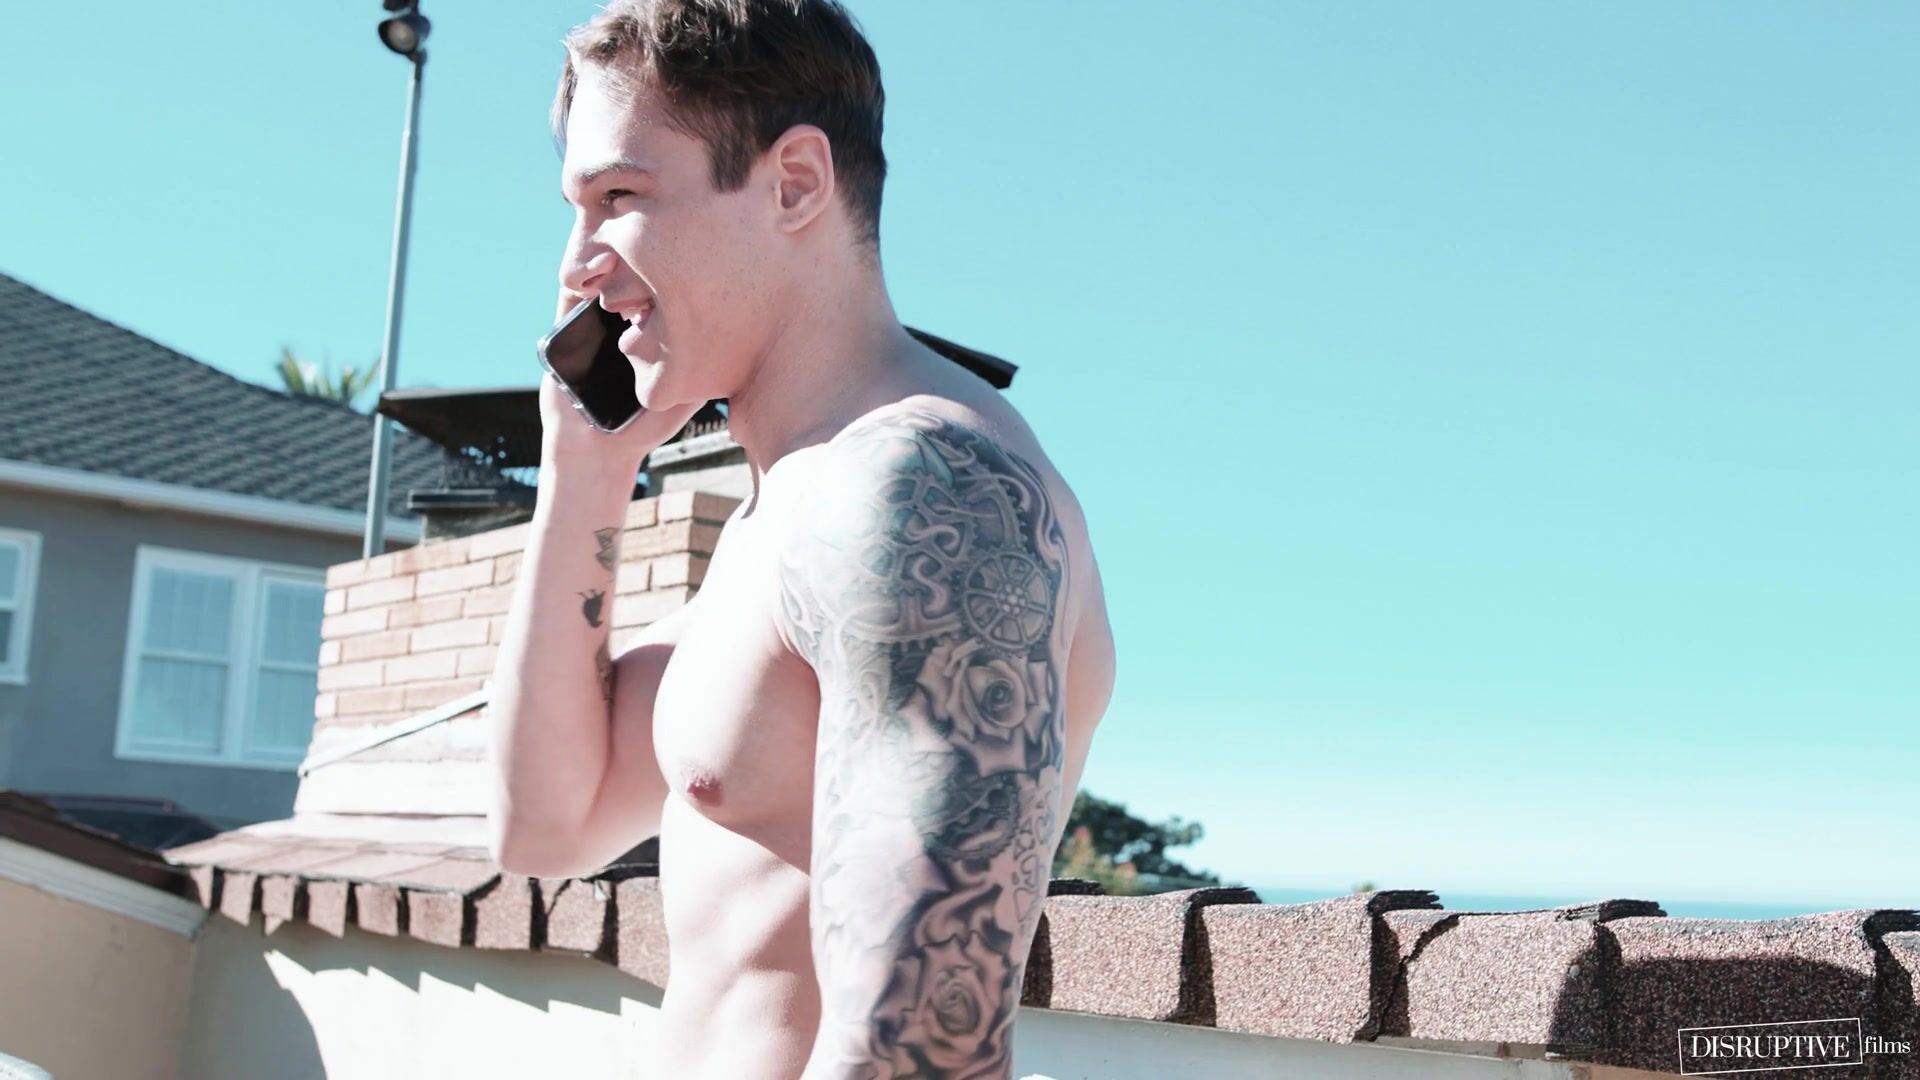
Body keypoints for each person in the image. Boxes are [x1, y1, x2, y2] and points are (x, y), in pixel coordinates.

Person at [486, 2, 1116, 1077]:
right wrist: (585, 470)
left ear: (794, 183)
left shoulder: (917, 488)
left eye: (620, 198)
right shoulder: (786, 510)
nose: (578, 266)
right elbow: (548, 827)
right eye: (576, 210)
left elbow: (923, 1054)